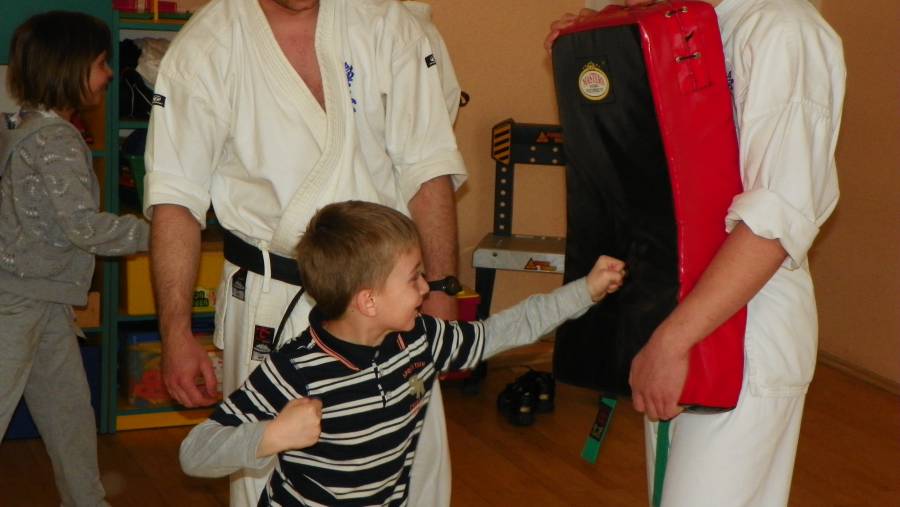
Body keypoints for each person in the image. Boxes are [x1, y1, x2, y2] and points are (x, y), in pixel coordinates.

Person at [143, 1, 466, 504]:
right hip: (271, 297)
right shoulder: (206, 47)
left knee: (409, 471)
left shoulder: (385, 23)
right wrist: (176, 332)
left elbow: (429, 170)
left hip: (390, 303)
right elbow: (175, 203)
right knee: (269, 476)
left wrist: (443, 293)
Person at [546, 0, 845, 505]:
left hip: (742, 329)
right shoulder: (686, 19)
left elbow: (775, 223)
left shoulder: (783, 29)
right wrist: (605, 41)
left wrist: (671, 342)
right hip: (675, 310)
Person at [179, 200, 626, 505]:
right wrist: (271, 436)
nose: (427, 287)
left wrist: (585, 291)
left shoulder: (420, 341)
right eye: (414, 277)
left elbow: (504, 330)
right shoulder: (296, 370)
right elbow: (195, 452)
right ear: (368, 300)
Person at [0, 11, 150, 507]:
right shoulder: (55, 138)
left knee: (69, 414)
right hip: (17, 302)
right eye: (102, 63)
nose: (109, 75)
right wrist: (162, 234)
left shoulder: (25, 124)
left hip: (41, 298)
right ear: (69, 67)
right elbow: (84, 227)